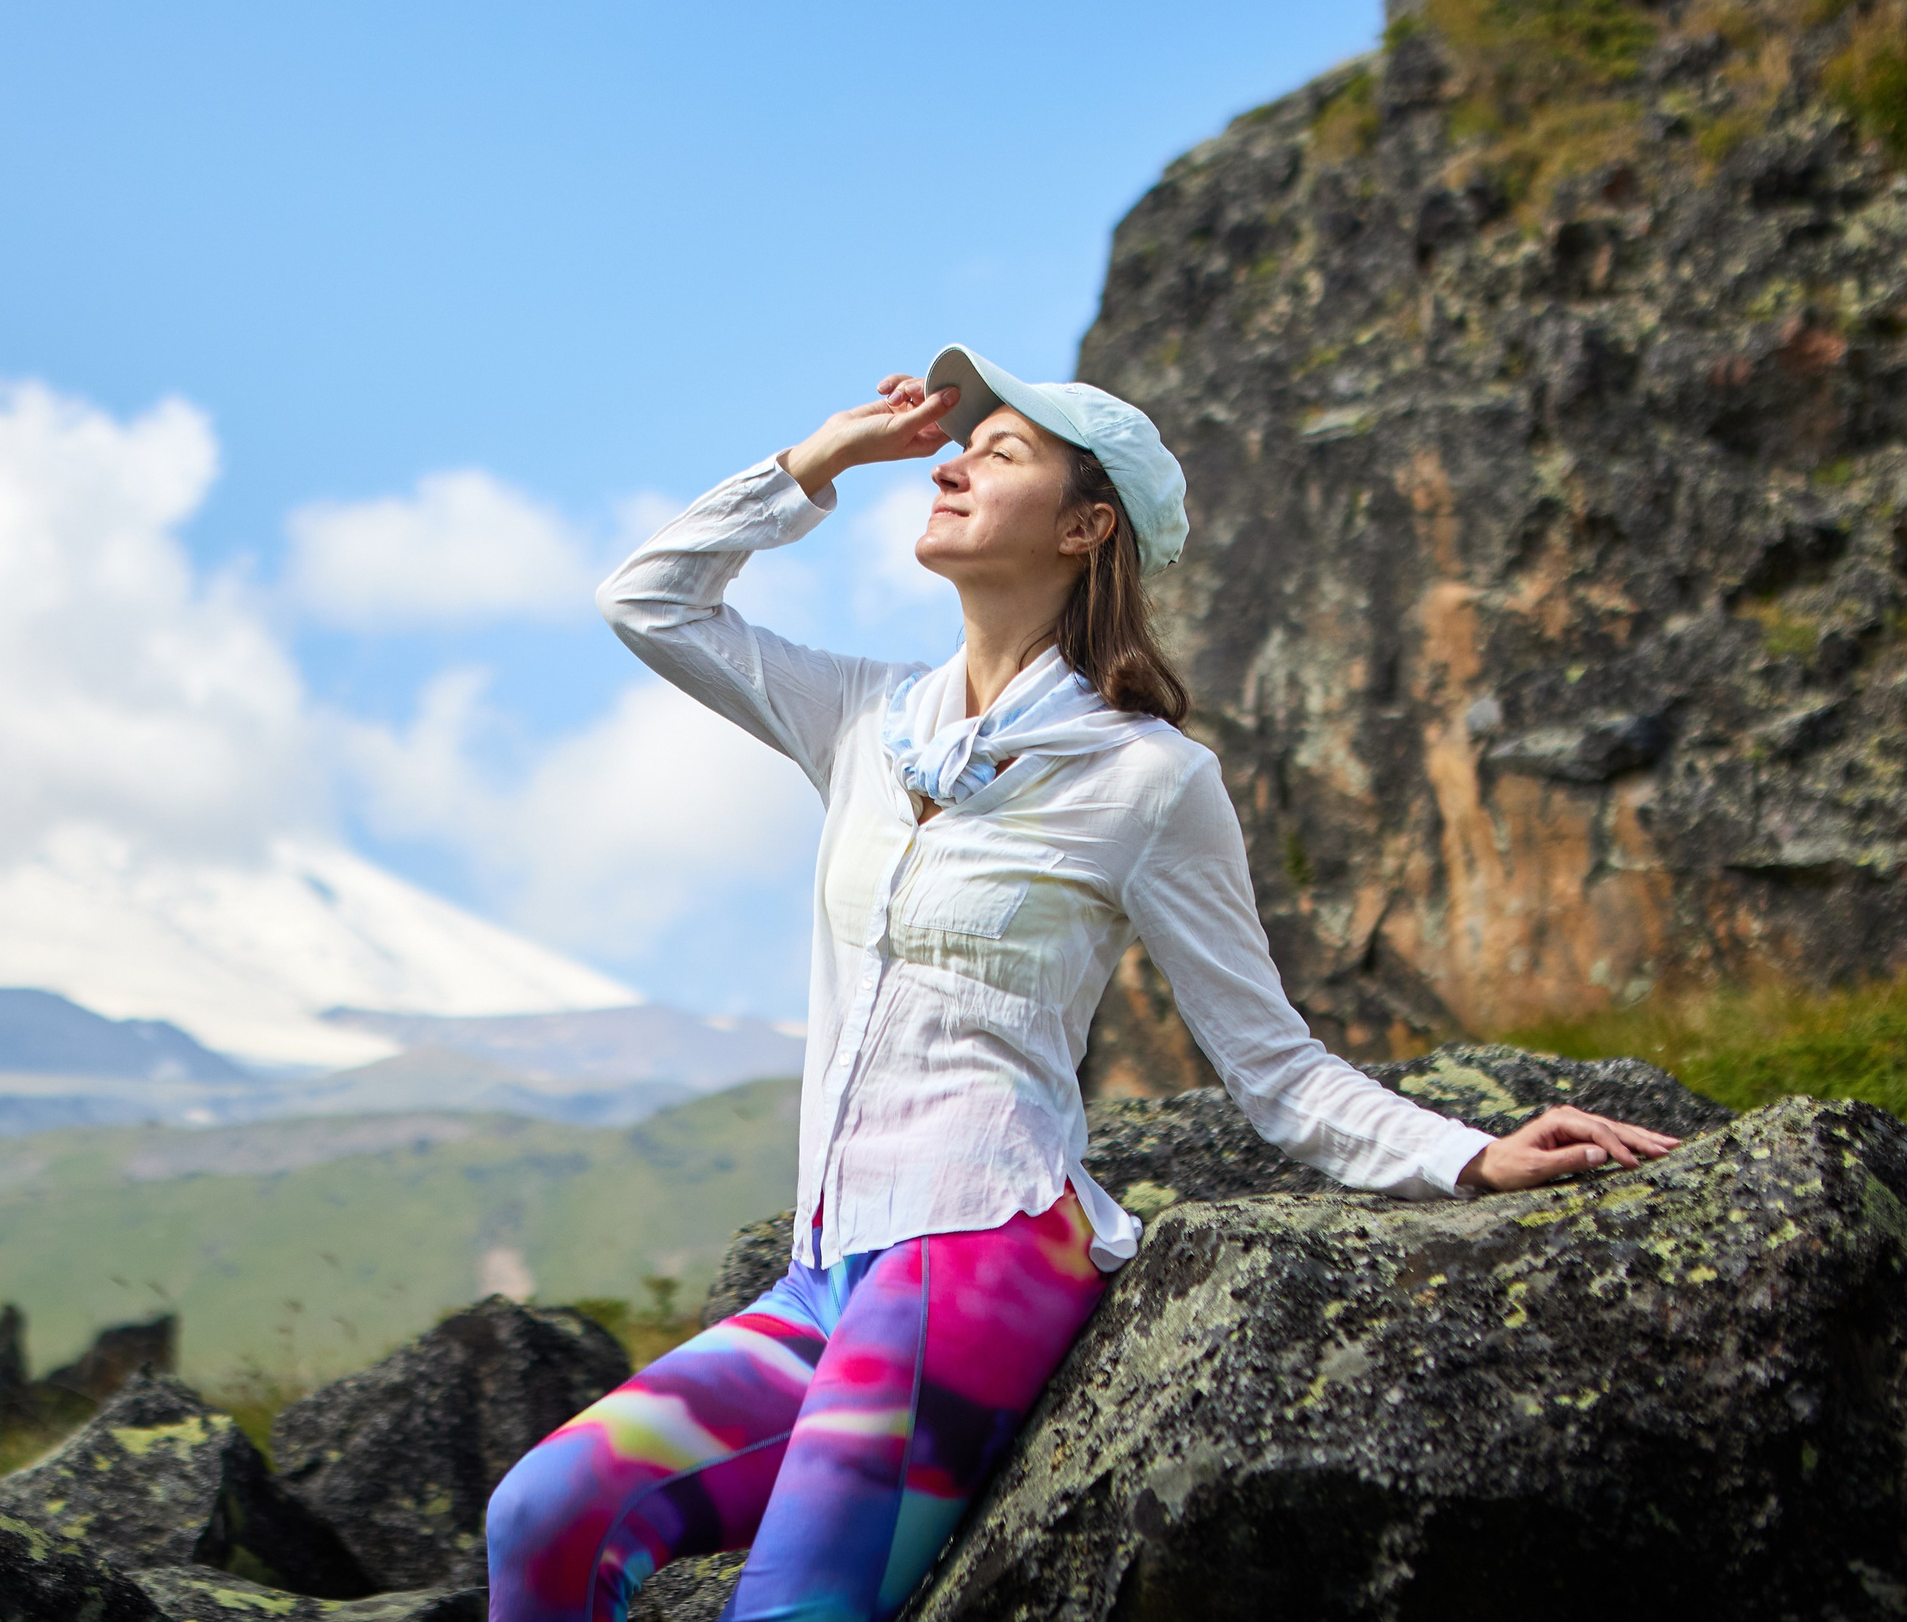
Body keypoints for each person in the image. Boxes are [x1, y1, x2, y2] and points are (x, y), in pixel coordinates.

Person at [482, 348, 1683, 1622]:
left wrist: (1472, 1157)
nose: (948, 463)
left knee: (789, 1615)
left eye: (997, 454)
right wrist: (816, 463)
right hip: (829, 1272)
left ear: (1084, 524)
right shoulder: (860, 716)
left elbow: (1271, 1064)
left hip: (979, 1253)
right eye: (960, 447)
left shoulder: (1150, 779)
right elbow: (646, 603)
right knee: (543, 1517)